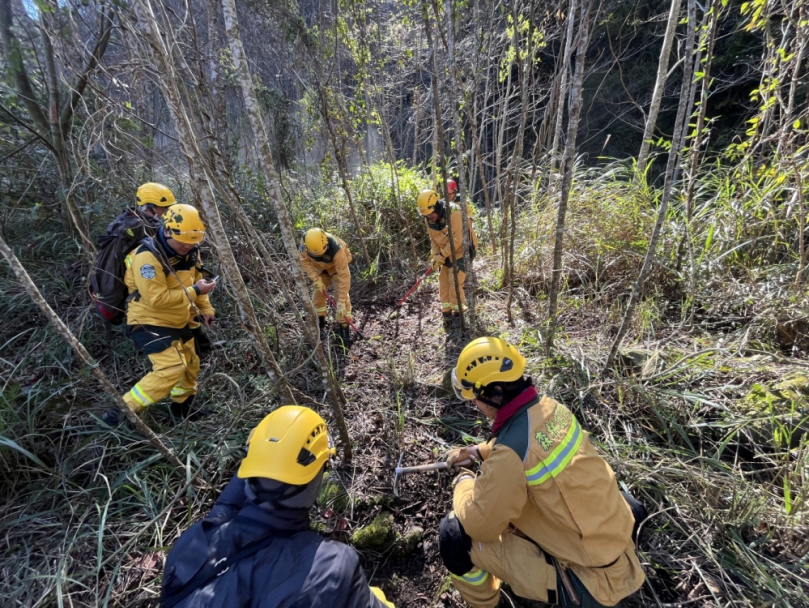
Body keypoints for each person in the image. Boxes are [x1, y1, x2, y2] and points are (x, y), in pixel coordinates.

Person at [441, 337, 646, 608]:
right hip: (616, 538)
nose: (477, 405)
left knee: (453, 537)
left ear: (497, 393)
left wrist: (463, 481)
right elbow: (530, 445)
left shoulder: (510, 458)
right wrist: (480, 451)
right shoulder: (551, 408)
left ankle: (488, 602)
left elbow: (480, 524)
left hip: (593, 582)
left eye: (477, 398)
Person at [161, 405, 395, 608]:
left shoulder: (190, 544)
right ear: (315, 479)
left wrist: (264, 457)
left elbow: (225, 511)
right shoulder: (330, 568)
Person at [101, 204, 217, 426]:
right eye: (182, 241)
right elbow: (157, 298)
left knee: (190, 363)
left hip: (179, 318)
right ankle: (120, 413)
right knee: (170, 367)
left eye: (192, 242)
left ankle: (181, 409)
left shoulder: (191, 250)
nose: (187, 246)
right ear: (167, 230)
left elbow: (197, 281)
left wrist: (206, 308)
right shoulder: (146, 257)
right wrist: (196, 292)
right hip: (148, 320)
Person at [416, 189, 478, 332]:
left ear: (436, 206)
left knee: (454, 280)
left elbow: (457, 240)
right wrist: (436, 255)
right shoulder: (428, 218)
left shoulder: (454, 213)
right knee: (443, 280)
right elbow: (433, 239)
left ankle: (459, 314)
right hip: (446, 251)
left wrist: (442, 255)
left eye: (431, 213)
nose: (429, 217)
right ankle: (447, 312)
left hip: (463, 250)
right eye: (425, 215)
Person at [300, 228, 354, 346]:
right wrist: (315, 278)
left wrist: (341, 301)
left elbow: (344, 277)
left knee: (343, 301)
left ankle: (344, 328)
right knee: (317, 297)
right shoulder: (305, 242)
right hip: (320, 269)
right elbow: (304, 261)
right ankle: (320, 323)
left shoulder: (337, 248)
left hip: (336, 269)